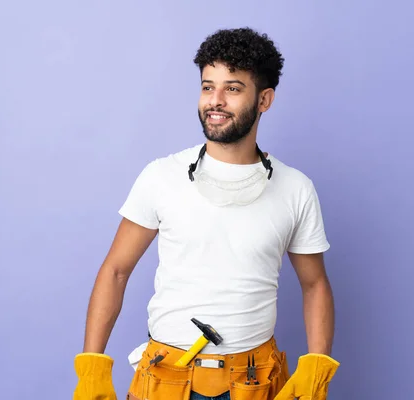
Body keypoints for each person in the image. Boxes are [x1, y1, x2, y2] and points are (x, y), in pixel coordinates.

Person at [72, 27, 340, 400]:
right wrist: (92, 368)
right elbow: (115, 271)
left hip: (254, 381)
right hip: (166, 378)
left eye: (232, 88)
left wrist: (316, 367)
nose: (215, 100)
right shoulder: (161, 176)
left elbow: (315, 285)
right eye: (207, 86)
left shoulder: (295, 188)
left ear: (264, 99)